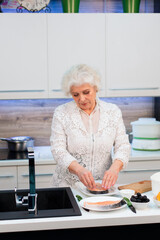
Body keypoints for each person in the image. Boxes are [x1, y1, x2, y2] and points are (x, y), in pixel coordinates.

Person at [50, 64, 130, 190]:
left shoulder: (113, 111)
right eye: (75, 95)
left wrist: (115, 168)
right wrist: (79, 170)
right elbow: (58, 150)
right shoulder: (62, 113)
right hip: (68, 187)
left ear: (96, 88)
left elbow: (123, 146)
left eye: (86, 92)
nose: (82, 99)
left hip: (102, 187)